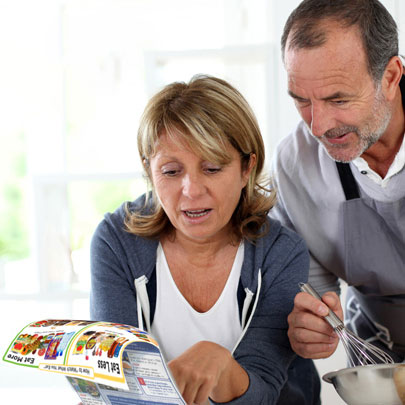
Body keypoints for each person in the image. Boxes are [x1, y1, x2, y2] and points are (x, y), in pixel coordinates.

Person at [90, 75, 320, 404]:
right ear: (149, 171)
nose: (192, 191)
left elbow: (264, 390)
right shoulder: (116, 242)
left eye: (212, 168)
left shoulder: (281, 253)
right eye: (170, 171)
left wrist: (219, 364)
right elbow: (116, 379)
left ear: (246, 169)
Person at [271, 0, 405, 366]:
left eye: (338, 99)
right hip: (378, 364)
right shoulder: (295, 165)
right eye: (302, 101)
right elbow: (310, 295)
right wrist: (309, 327)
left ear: (391, 77)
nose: (318, 126)